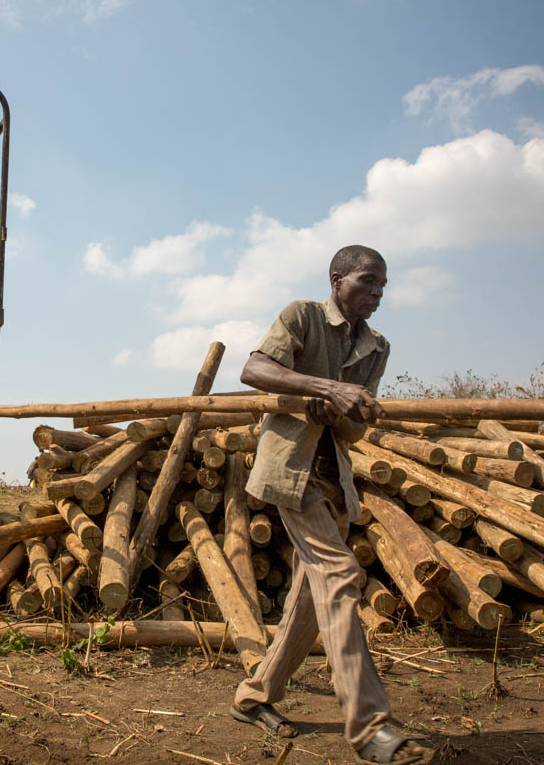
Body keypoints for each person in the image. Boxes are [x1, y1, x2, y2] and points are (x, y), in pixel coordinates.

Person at [229, 245, 427, 765]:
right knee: (339, 574)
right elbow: (254, 368)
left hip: (332, 476)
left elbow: (352, 430)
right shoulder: (303, 316)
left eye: (382, 285)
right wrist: (325, 389)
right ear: (337, 280)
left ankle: (254, 696)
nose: (377, 293)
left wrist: (345, 411)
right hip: (290, 471)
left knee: (309, 595)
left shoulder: (377, 347)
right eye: (367, 281)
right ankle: (370, 727)